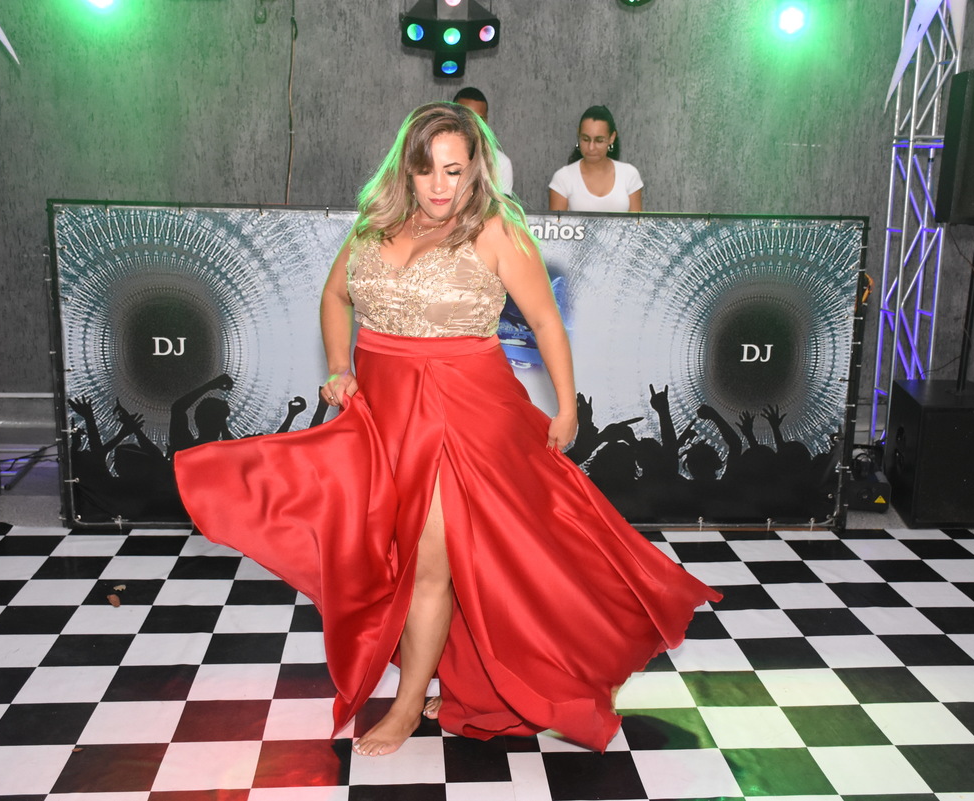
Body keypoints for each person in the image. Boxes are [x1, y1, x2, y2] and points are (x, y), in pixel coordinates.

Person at [174, 102, 718, 758]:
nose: (439, 185)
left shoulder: (496, 230)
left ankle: (406, 707)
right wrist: (340, 366)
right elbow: (335, 297)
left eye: (454, 170)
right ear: (405, 168)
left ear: (474, 170)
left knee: (431, 562)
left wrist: (567, 407)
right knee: (392, 555)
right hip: (385, 414)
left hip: (464, 412)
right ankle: (459, 678)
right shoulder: (373, 227)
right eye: (426, 168)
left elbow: (545, 320)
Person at [549, 105, 643, 212]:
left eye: (599, 140)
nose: (591, 147)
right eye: (585, 139)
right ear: (578, 135)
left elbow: (637, 222)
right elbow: (556, 222)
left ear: (611, 138)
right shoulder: (563, 178)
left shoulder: (629, 175)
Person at [453, 86, 513, 194]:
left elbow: (500, 204)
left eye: (479, 119)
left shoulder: (500, 163)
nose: (472, 123)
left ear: (486, 121)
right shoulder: (433, 154)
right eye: (466, 116)